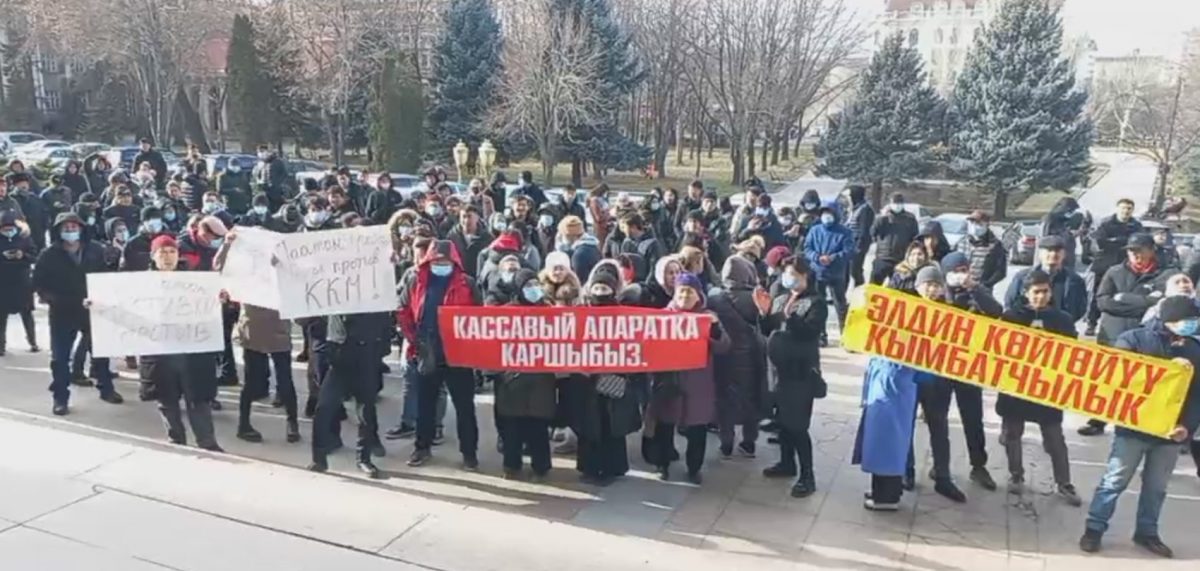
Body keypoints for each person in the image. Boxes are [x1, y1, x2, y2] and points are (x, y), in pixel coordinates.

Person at [1079, 296, 1200, 558]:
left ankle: (1147, 532)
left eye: (1194, 321)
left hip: (1171, 434)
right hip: (1134, 429)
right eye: (1186, 321)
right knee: (1114, 480)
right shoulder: (1133, 340)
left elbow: (1197, 396)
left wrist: (1187, 427)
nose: (1191, 325)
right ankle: (1094, 529)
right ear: (1169, 320)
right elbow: (1121, 378)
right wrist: (1168, 369)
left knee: (1156, 487)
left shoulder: (1194, 349)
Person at [852, 266, 942, 510]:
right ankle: (879, 490)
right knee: (878, 443)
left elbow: (924, 368)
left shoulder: (912, 330)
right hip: (884, 390)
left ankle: (887, 497)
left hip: (896, 392)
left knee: (889, 446)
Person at [997, 269, 1082, 505]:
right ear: (1026, 293)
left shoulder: (1062, 319)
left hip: (1047, 388)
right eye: (1036, 292)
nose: (1040, 297)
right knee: (1013, 434)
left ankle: (1064, 482)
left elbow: (1073, 353)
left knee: (1055, 438)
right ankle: (1016, 475)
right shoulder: (1012, 316)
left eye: (1045, 291)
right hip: (1015, 386)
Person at [134, 235, 223, 451]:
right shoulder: (138, 285)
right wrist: (97, 305)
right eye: (162, 252)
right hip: (159, 354)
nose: (167, 257)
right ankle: (177, 442)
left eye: (171, 251)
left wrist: (218, 300)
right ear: (153, 256)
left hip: (192, 353)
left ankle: (207, 442)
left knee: (198, 400)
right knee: (167, 400)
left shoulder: (195, 281)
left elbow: (209, 308)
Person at [398, 240, 481, 469]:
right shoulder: (416, 280)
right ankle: (421, 448)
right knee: (425, 405)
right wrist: (413, 339)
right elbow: (403, 309)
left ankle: (469, 453)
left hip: (459, 354)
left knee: (465, 407)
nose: (441, 264)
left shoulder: (467, 283)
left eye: (445, 261)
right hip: (427, 351)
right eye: (436, 261)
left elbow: (479, 317)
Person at [33, 213, 124, 415]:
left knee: (100, 353)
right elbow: (39, 284)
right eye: (66, 228)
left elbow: (107, 276)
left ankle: (106, 389)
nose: (71, 231)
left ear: (82, 229)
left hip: (92, 309)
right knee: (60, 358)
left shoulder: (95, 250)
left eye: (75, 227)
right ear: (58, 231)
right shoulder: (49, 255)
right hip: (62, 312)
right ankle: (60, 398)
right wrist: (56, 299)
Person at [644, 272, 730, 484]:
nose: (684, 295)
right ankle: (662, 464)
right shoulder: (663, 316)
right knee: (664, 426)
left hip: (697, 384)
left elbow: (725, 347)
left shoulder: (707, 317)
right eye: (681, 291)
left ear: (698, 295)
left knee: (696, 429)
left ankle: (694, 468)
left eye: (689, 291)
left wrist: (715, 328)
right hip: (668, 381)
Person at [1083, 234, 1169, 436]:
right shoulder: (1114, 272)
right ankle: (1098, 420)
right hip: (1113, 334)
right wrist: (1143, 302)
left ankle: (1139, 423)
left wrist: (1124, 299)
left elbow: (1163, 305)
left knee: (1143, 382)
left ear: (1151, 250)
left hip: (1146, 337)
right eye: (1132, 251)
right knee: (1107, 380)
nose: (1135, 255)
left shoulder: (1164, 275)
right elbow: (1103, 302)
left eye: (1140, 250)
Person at [565, 264, 642, 485]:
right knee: (588, 425)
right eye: (597, 288)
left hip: (612, 379)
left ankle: (611, 468)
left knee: (610, 426)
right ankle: (589, 468)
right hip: (585, 380)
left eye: (605, 289)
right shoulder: (580, 313)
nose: (600, 293)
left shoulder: (623, 315)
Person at [932, 252, 1000, 494]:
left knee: (973, 418)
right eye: (955, 270)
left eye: (964, 269)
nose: (960, 274)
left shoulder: (976, 295)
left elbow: (996, 311)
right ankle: (940, 466)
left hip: (969, 368)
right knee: (938, 420)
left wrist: (974, 288)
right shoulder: (938, 295)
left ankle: (978, 465)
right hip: (940, 368)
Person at [760, 256, 826, 497]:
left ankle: (807, 475)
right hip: (776, 370)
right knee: (782, 422)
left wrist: (791, 316)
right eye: (786, 273)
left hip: (800, 372)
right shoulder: (782, 297)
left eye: (793, 274)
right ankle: (786, 463)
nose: (788, 278)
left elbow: (810, 332)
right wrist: (764, 312)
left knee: (797, 425)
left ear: (805, 276)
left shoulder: (816, 302)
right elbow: (768, 328)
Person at [308, 306, 392, 478]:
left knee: (366, 412)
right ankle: (319, 458)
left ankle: (364, 459)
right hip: (337, 362)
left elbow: (384, 327)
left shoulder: (371, 300)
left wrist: (376, 352)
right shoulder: (331, 300)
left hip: (364, 357)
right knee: (323, 408)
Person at [495, 269, 558, 480]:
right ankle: (511, 465)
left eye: (535, 284)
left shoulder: (549, 311)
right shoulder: (506, 312)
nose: (533, 289)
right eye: (528, 285)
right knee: (512, 426)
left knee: (538, 427)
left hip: (541, 379)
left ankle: (541, 466)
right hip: (512, 380)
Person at [707, 256, 768, 458]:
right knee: (751, 398)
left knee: (725, 400)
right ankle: (749, 442)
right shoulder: (755, 297)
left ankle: (726, 443)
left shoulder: (715, 298)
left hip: (724, 357)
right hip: (752, 356)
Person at [803, 200, 854, 345]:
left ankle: (846, 335)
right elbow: (807, 248)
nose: (827, 216)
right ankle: (820, 335)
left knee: (840, 305)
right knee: (819, 305)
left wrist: (832, 258)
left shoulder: (845, 232)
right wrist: (817, 257)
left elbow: (849, 251)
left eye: (830, 213)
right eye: (824, 213)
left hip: (837, 273)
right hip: (818, 272)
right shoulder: (815, 230)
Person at [1003, 236, 1088, 321]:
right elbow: (1010, 303)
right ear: (1040, 253)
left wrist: (1065, 322)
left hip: (1060, 328)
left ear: (1064, 254)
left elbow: (1080, 308)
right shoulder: (1023, 277)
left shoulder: (1075, 280)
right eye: (1049, 250)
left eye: (1057, 251)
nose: (1053, 254)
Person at [0, 211, 37, 355]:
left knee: (27, 313)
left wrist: (23, 255)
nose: (8, 231)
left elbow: (34, 256)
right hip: (3, 283)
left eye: (11, 228)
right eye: (5, 229)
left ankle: (32, 341)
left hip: (22, 282)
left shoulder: (25, 239)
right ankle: (1, 345)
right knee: (1, 317)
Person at [869, 193, 920, 284]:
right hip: (883, 257)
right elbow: (873, 233)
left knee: (899, 285)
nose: (897, 206)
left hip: (901, 259)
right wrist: (881, 217)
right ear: (890, 204)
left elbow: (915, 237)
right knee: (875, 283)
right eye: (895, 203)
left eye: (899, 203)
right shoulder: (883, 218)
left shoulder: (910, 218)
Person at [955, 210, 1007, 290]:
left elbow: (1000, 271)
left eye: (978, 223)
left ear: (986, 224)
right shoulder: (962, 242)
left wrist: (986, 285)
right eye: (971, 223)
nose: (974, 226)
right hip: (960, 288)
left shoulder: (995, 245)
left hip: (981, 290)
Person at [553, 215, 601, 281]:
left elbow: (579, 281)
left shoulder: (579, 255)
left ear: (569, 236)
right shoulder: (592, 246)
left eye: (562, 235)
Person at [1041, 196, 1083, 269]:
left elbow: (1066, 236)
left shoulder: (1063, 220)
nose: (1071, 213)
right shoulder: (1050, 218)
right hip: (1054, 259)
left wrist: (1074, 234)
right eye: (1070, 210)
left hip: (1067, 259)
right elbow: (1045, 239)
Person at [845, 185, 875, 288]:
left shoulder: (865, 209)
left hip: (858, 244)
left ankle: (860, 290)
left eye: (850, 196)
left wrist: (859, 247)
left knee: (855, 270)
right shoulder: (854, 208)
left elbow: (864, 231)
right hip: (850, 243)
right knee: (849, 270)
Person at [252, 144, 291, 212]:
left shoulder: (277, 162)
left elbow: (284, 174)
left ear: (267, 151)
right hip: (264, 191)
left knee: (276, 208)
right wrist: (259, 182)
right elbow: (258, 176)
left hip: (276, 192)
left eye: (262, 151)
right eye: (259, 152)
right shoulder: (262, 163)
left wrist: (276, 183)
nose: (261, 154)